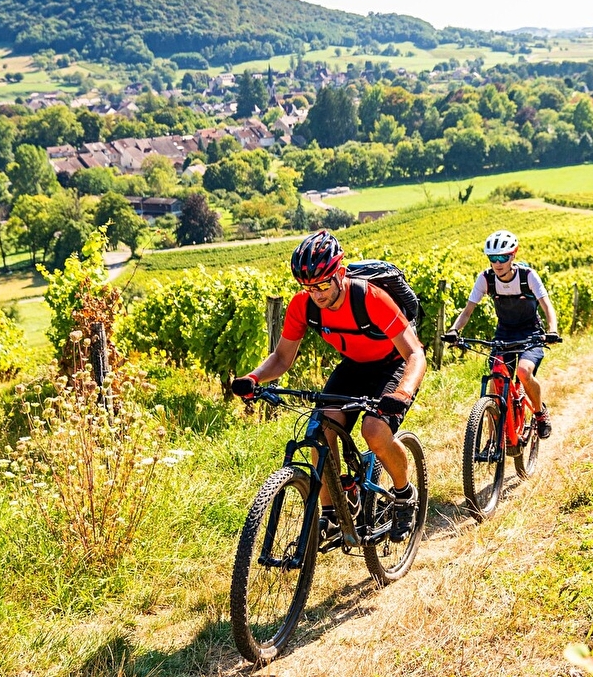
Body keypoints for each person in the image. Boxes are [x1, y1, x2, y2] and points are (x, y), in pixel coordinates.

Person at [231, 230, 425, 542]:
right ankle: (333, 514)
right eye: (308, 287)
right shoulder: (303, 305)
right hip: (354, 367)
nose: (317, 293)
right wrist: (254, 378)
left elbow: (415, 353)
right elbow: (282, 357)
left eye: (322, 284)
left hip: (393, 364)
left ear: (340, 273)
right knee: (319, 430)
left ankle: (404, 496)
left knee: (374, 432)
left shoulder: (370, 298)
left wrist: (401, 392)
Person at [445, 229, 560, 438]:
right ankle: (494, 439)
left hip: (531, 333)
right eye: (493, 258)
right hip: (504, 332)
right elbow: (468, 311)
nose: (498, 263)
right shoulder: (486, 279)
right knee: (495, 382)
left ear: (513, 256)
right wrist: (454, 330)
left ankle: (540, 413)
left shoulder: (528, 277)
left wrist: (552, 330)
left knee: (524, 373)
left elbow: (547, 306)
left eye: (503, 258)